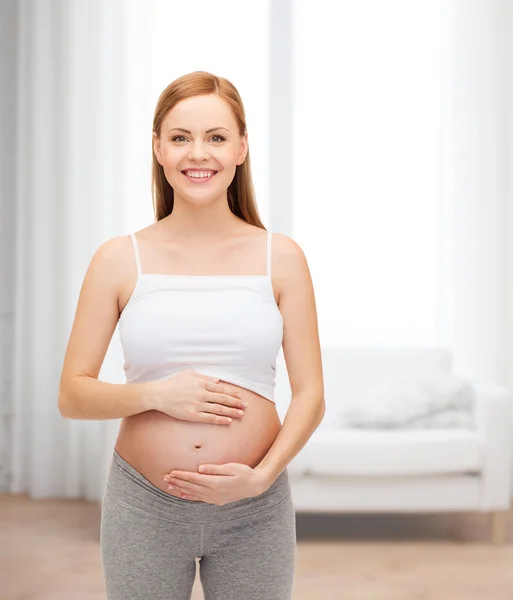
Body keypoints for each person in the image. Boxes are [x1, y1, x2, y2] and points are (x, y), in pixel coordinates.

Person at [58, 70, 325, 600]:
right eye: (180, 138)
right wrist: (158, 395)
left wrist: (262, 477)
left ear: (242, 148)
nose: (197, 154)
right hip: (144, 505)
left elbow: (311, 395)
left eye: (216, 137)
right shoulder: (118, 258)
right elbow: (73, 394)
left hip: (255, 506)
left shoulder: (282, 257)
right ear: (158, 148)